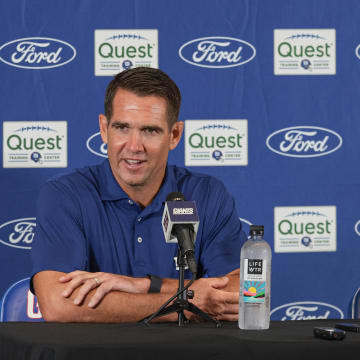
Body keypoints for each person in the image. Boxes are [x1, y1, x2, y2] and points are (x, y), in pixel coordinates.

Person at [31, 67, 244, 323]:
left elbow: (243, 292)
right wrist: (187, 301)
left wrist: (143, 286)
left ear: (174, 135)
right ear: (103, 128)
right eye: (122, 127)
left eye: (150, 131)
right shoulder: (65, 195)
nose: (134, 147)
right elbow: (58, 304)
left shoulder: (207, 194)